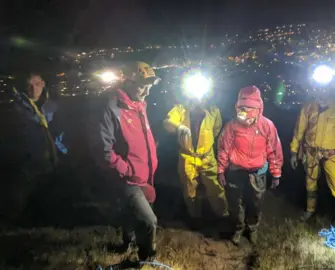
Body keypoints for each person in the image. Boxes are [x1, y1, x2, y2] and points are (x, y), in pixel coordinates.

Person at [89, 61, 160, 260]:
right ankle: (147, 257)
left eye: (149, 86)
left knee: (131, 214)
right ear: (128, 82)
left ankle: (127, 244)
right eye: (142, 86)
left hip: (144, 175)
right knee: (149, 221)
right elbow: (103, 149)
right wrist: (127, 170)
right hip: (128, 178)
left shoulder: (139, 105)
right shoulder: (112, 108)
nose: (146, 92)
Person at [217, 85, 283, 245]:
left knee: (256, 202)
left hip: (258, 171)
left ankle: (252, 228)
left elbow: (274, 150)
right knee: (236, 202)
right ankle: (238, 229)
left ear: (257, 110)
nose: (245, 118)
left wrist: (276, 173)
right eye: (241, 110)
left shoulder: (267, 126)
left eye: (248, 113)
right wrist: (220, 170)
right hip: (235, 171)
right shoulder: (231, 126)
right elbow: (223, 148)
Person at [163, 75, 228, 228]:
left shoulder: (213, 111)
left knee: (215, 187)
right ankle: (195, 217)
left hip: (207, 156)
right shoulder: (180, 109)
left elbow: (216, 130)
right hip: (187, 156)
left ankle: (223, 216)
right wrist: (178, 127)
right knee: (189, 188)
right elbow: (167, 122)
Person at [290, 88, 335, 229]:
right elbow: (299, 130)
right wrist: (294, 151)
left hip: (331, 155)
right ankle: (310, 211)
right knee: (310, 183)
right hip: (311, 153)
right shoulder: (309, 107)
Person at [0, 73, 62, 222]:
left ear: (42, 85)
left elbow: (46, 121)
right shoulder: (20, 105)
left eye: (36, 84)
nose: (33, 88)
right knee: (22, 190)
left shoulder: (38, 105)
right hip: (28, 159)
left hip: (39, 158)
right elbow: (32, 123)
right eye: (29, 85)